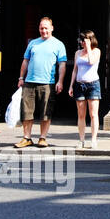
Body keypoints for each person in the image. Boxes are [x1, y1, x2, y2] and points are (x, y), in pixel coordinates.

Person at [16, 17, 68, 148]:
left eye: (46, 28)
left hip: (47, 83)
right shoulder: (33, 43)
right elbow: (25, 61)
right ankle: (27, 138)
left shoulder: (58, 44)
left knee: (46, 111)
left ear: (52, 28)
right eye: (41, 28)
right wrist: (21, 78)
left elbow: (62, 65)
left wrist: (60, 81)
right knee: (26, 111)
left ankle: (42, 138)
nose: (43, 30)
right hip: (29, 81)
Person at [68, 31, 102, 149]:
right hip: (79, 84)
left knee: (93, 114)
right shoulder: (78, 53)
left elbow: (91, 61)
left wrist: (88, 47)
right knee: (81, 114)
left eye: (84, 40)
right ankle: (81, 140)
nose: (82, 42)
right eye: (81, 40)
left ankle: (93, 139)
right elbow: (75, 70)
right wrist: (71, 85)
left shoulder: (96, 51)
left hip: (93, 84)